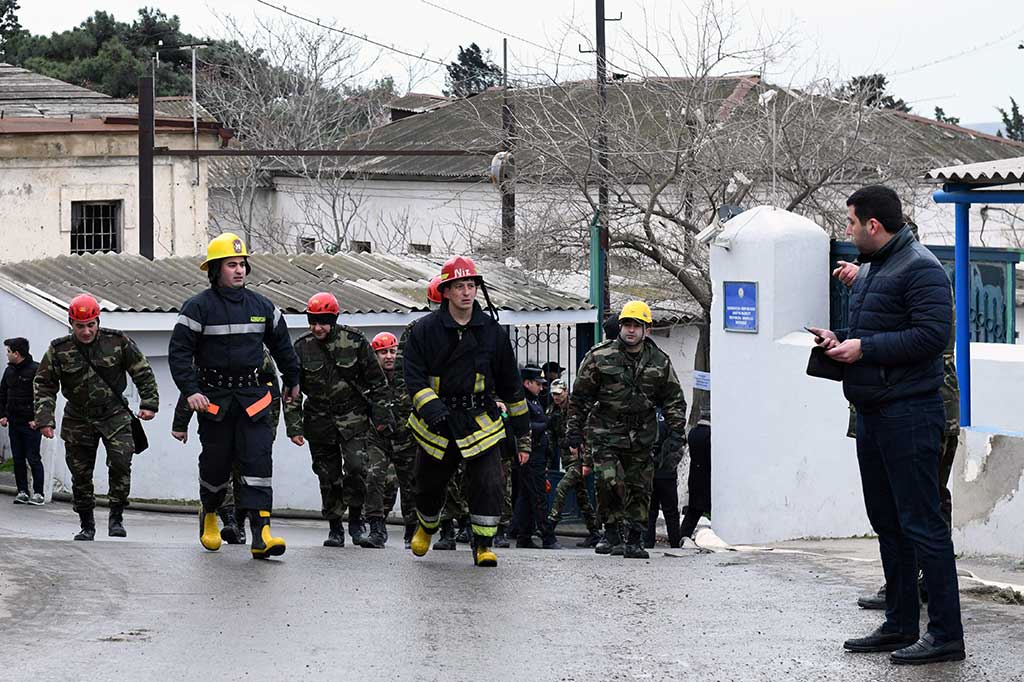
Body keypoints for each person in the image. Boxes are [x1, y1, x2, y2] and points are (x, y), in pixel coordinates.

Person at [809, 185, 964, 665]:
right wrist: (843, 339)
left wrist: (864, 349)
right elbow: (879, 331)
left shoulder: (921, 267)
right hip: (874, 414)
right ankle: (900, 624)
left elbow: (931, 335)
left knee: (922, 525)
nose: (847, 231)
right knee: (889, 523)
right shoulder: (876, 268)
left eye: (850, 222)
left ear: (873, 225)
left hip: (910, 415)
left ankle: (945, 635)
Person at [834, 220, 962, 612]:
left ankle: (927, 593)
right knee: (891, 511)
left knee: (924, 508)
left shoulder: (923, 275)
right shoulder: (882, 277)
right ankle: (901, 596)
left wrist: (863, 345)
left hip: (924, 407)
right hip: (883, 408)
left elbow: (924, 336)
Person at [168, 233, 300, 559]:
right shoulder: (197, 308)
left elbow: (283, 347)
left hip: (254, 398)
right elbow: (179, 354)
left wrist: (293, 379)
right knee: (216, 463)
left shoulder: (262, 307)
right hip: (214, 400)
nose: (239, 270)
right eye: (232, 264)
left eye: (242, 264)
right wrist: (191, 391)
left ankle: (262, 533)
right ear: (215, 270)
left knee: (258, 462)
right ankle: (210, 514)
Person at [403, 255, 531, 567]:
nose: (466, 292)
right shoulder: (423, 331)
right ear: (445, 291)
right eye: (459, 286)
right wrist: (431, 408)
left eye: (471, 285)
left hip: (480, 421)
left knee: (489, 482)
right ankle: (427, 525)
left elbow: (512, 386)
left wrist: (523, 435)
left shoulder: (492, 332)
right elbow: (414, 377)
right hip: (438, 422)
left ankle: (483, 545)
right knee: (427, 483)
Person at [566, 300, 687, 559]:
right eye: (627, 325)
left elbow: (673, 399)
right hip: (605, 431)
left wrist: (677, 433)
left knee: (640, 487)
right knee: (608, 481)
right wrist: (574, 428)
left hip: (642, 434)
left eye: (637, 326)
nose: (631, 330)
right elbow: (580, 397)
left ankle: (634, 538)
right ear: (620, 327)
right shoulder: (600, 356)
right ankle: (611, 532)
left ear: (647, 330)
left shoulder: (660, 361)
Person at [34, 294, 159, 540]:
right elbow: (44, 385)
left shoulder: (117, 341)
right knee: (80, 474)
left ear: (98, 321)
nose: (86, 331)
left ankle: (116, 515)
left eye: (91, 324)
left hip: (115, 414)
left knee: (121, 463)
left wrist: (149, 403)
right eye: (80, 326)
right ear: (71, 323)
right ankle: (86, 524)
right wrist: (45, 419)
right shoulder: (59, 349)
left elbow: (141, 370)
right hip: (78, 417)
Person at [283, 292, 392, 548]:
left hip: (353, 417)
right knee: (327, 475)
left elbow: (378, 383)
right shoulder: (301, 347)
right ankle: (334, 526)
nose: (317, 327)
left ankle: (356, 518)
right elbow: (291, 391)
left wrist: (381, 417)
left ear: (333, 320)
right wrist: (293, 427)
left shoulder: (354, 341)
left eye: (322, 321)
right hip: (318, 419)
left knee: (356, 468)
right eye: (313, 321)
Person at [172, 350, 282, 545]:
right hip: (217, 416)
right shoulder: (208, 350)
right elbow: (190, 388)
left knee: (248, 474)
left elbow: (272, 391)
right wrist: (180, 424)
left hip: (250, 418)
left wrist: (270, 430)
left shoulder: (258, 353)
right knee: (219, 470)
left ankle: (239, 523)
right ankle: (220, 515)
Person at [363, 331, 418, 549]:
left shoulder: (409, 376)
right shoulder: (368, 378)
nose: (389, 356)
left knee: (410, 484)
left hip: (407, 438)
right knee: (374, 476)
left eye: (392, 351)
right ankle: (377, 528)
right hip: (378, 438)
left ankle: (411, 532)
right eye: (382, 352)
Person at [546, 379, 601, 547]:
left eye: (559, 393)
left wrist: (586, 460)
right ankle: (594, 533)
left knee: (562, 487)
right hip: (567, 459)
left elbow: (588, 434)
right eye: (553, 394)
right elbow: (551, 438)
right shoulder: (552, 411)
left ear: (566, 391)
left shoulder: (576, 410)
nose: (556, 397)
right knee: (582, 496)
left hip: (580, 458)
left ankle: (550, 526)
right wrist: (548, 461)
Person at [512, 365, 561, 549]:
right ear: (527, 383)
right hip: (530, 455)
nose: (541, 387)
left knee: (526, 496)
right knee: (538, 496)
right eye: (538, 383)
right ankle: (547, 536)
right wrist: (546, 425)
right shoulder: (522, 401)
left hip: (538, 453)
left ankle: (523, 535)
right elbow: (523, 426)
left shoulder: (534, 400)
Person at [1, 337, 44, 505]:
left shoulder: (36, 370)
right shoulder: (9, 371)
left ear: (17, 354)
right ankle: (22, 491)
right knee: (18, 458)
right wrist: (3, 414)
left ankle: (39, 493)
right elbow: (2, 393)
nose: (7, 355)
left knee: (33, 458)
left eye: (9, 352)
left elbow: (43, 397)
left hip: (30, 424)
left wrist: (38, 419)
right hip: (14, 422)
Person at [645, 408, 684, 548]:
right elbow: (678, 443)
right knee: (671, 511)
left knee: (650, 510)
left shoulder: (646, 412)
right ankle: (674, 542)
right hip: (666, 473)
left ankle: (648, 542)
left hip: (648, 471)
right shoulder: (671, 415)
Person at [679, 409, 711, 541]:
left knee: (694, 510)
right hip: (707, 477)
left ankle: (682, 535)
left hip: (695, 476)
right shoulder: (710, 434)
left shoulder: (693, 432)